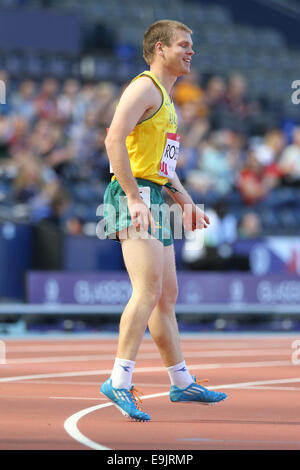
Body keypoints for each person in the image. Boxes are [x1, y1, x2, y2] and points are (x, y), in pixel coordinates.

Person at [100, 20, 227, 422]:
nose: (192, 52)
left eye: (193, 45)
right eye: (184, 45)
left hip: (155, 194)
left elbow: (163, 166)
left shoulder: (167, 101)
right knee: (147, 290)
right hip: (132, 194)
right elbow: (112, 140)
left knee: (166, 295)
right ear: (159, 48)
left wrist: (186, 201)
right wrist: (135, 199)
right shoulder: (142, 88)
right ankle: (118, 382)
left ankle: (180, 380)